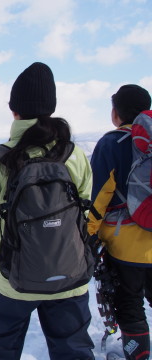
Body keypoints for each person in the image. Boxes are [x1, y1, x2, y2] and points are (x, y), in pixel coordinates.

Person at [0, 62, 95, 360]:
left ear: (14, 109)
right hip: (70, 275)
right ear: (50, 108)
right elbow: (85, 213)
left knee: (1, 349)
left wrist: (6, 246)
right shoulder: (73, 155)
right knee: (73, 349)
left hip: (13, 277)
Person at [88, 84, 152, 360]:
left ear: (116, 113)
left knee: (130, 306)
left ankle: (137, 354)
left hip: (126, 246)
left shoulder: (111, 143)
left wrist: (88, 236)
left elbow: (98, 197)